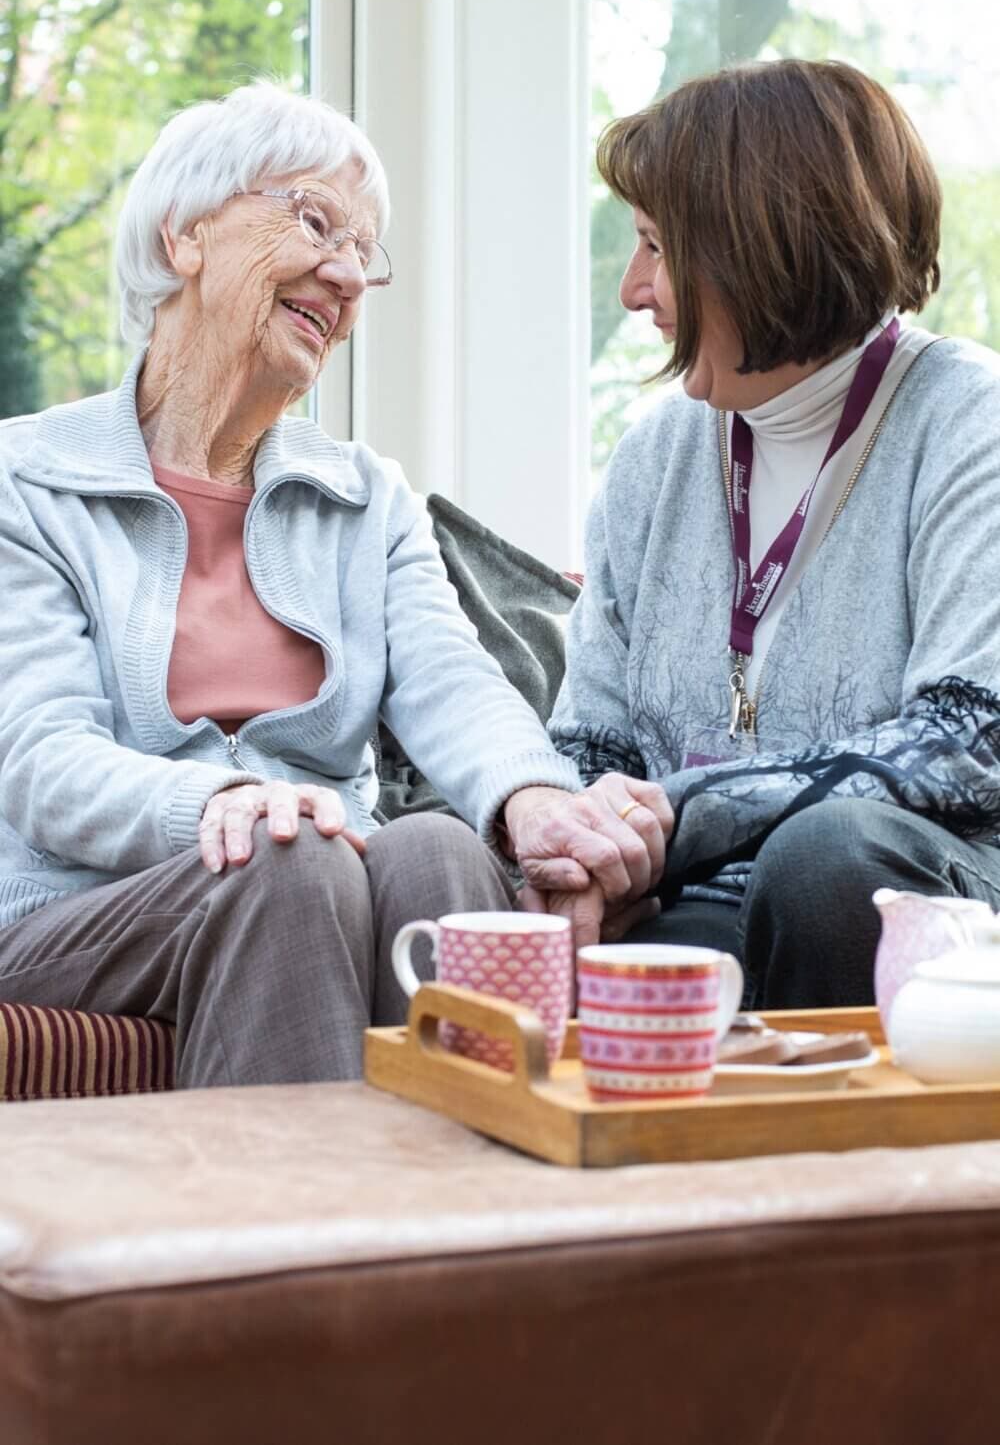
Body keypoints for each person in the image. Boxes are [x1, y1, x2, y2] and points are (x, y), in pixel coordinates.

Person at [0, 82, 671, 1086]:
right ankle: (296, 1235)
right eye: (317, 223)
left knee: (439, 851)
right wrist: (228, 803)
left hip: (310, 877)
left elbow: (454, 685)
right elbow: (42, 758)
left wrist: (539, 806)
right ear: (185, 236)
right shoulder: (27, 483)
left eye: (365, 252)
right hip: (79, 908)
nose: (348, 273)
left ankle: (480, 1234)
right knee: (285, 858)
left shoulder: (367, 499)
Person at [546, 58, 1000, 1008]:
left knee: (828, 861)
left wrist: (675, 814)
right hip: (698, 906)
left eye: (658, 249)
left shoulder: (969, 420)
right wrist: (587, 842)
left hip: (924, 906)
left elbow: (968, 741)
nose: (635, 290)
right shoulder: (656, 456)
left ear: (762, 247)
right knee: (506, 882)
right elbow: (590, 748)